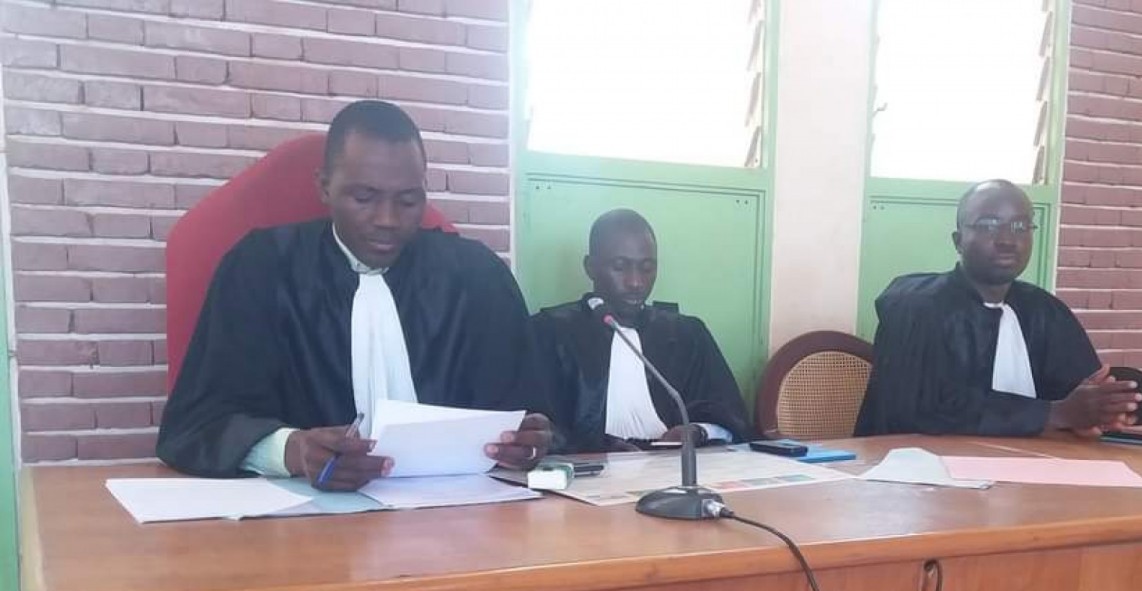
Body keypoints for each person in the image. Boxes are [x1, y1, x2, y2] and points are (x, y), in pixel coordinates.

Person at [157, 100, 553, 488]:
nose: (387, 220)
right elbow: (197, 426)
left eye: (408, 200)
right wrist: (292, 450)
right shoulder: (262, 269)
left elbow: (533, 415)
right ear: (324, 187)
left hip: (464, 514)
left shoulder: (476, 276)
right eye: (364, 198)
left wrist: (529, 442)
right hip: (303, 519)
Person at [856, 179, 1141, 438]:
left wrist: (1101, 411)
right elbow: (918, 409)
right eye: (988, 225)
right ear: (958, 241)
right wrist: (1054, 414)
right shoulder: (915, 306)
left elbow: (1078, 393)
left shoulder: (1045, 311)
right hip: (916, 470)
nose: (1007, 240)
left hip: (1032, 467)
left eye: (1020, 227)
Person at [532, 209, 753, 453]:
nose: (635, 282)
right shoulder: (552, 331)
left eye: (647, 268)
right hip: (593, 468)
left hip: (674, 464)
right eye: (620, 267)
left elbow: (731, 418)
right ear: (590, 267)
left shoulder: (687, 334)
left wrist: (698, 431)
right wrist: (599, 447)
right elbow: (536, 429)